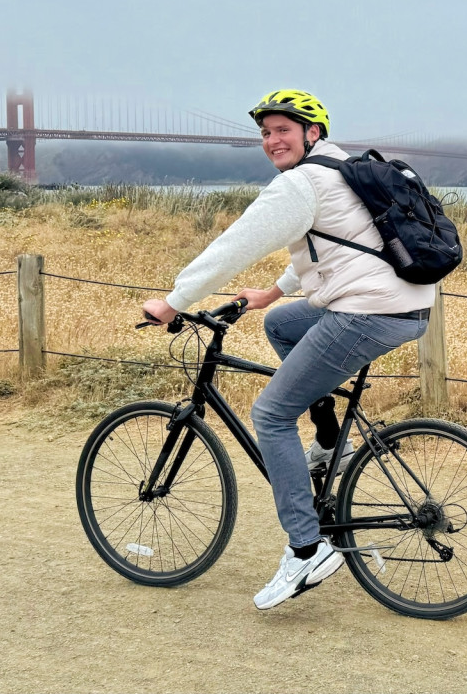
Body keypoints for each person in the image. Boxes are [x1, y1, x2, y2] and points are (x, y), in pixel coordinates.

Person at [141, 89, 435, 610]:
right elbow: (335, 243)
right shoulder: (341, 166)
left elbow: (234, 245)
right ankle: (328, 443)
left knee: (271, 413)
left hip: (367, 313)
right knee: (282, 324)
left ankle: (306, 549)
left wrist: (174, 300)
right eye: (265, 133)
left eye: (283, 130)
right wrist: (276, 292)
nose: (272, 141)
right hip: (402, 304)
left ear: (311, 132)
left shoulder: (301, 182)